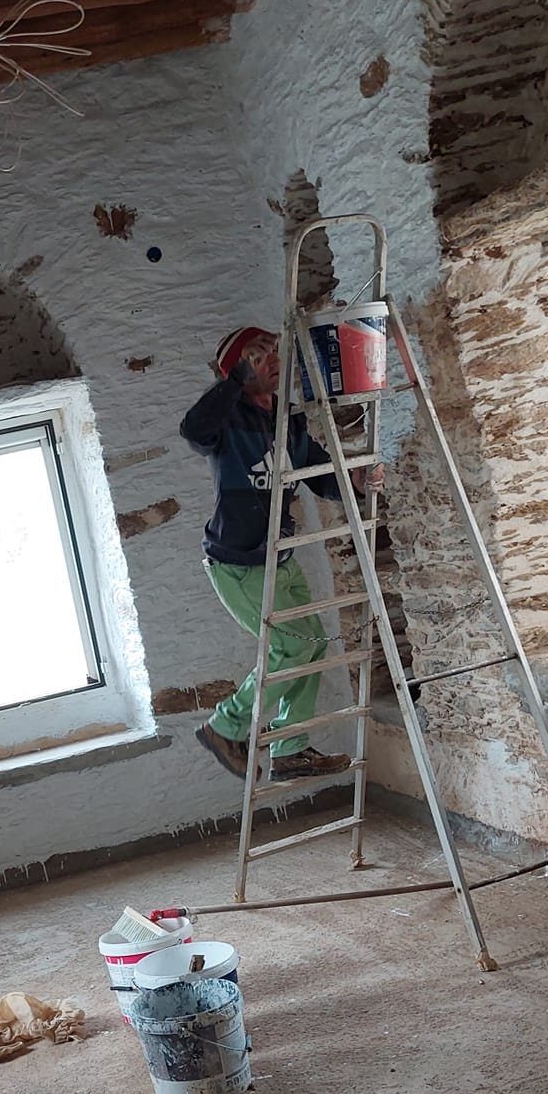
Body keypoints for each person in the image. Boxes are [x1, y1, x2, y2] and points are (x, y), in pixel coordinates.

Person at [180, 325, 383, 781]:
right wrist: (235, 379)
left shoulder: (286, 419)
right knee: (288, 648)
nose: (273, 362)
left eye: (273, 353)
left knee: (309, 647)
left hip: (280, 557)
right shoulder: (227, 421)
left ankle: (290, 748)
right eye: (258, 356)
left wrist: (353, 483)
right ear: (237, 369)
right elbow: (193, 431)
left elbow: (314, 468)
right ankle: (224, 727)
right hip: (239, 563)